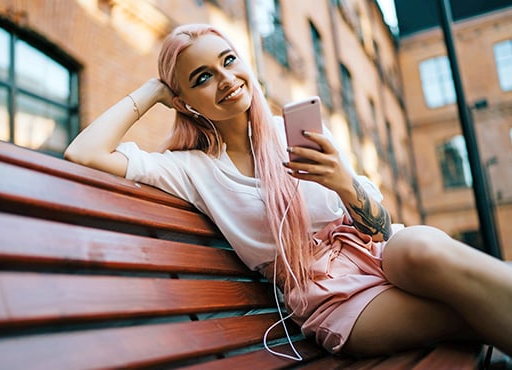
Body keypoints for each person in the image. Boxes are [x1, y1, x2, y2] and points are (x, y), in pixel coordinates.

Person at [65, 23, 512, 358]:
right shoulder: (189, 171)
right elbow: (84, 152)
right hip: (333, 299)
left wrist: (342, 182)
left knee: (420, 246)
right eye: (200, 78)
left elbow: (379, 231)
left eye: (228, 60)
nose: (225, 79)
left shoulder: (294, 131)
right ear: (183, 102)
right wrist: (151, 92)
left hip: (381, 256)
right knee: (471, 310)